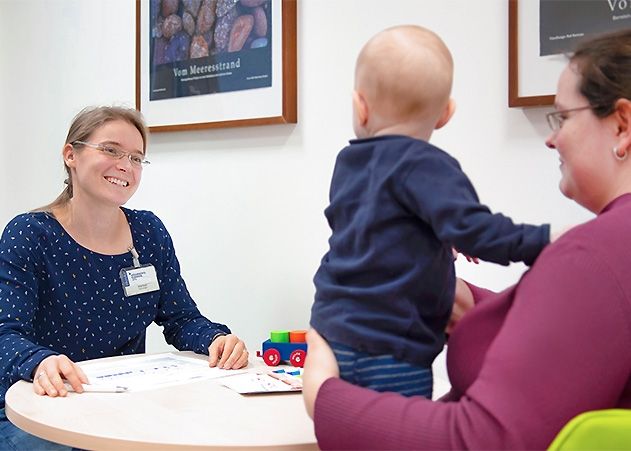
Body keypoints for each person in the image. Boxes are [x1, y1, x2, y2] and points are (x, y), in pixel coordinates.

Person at [303, 28, 631, 449]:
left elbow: (480, 441)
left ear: (622, 125)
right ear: (445, 113)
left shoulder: (593, 253)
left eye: (562, 117)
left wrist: (322, 395)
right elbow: (581, 337)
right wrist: (465, 300)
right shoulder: (607, 253)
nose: (551, 139)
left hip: (351, 349)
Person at [310, 24, 551, 399]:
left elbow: (373, 231)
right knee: (394, 433)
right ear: (446, 114)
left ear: (360, 106)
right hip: (394, 352)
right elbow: (480, 233)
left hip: (333, 334)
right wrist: (545, 240)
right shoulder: (429, 165)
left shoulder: (348, 163)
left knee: (346, 428)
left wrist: (442, 235)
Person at [0, 106, 249, 450]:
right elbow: (5, 333)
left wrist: (216, 340)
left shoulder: (148, 232)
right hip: (44, 404)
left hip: (121, 404)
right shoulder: (30, 234)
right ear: (71, 155)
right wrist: (40, 361)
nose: (125, 166)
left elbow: (180, 318)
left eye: (136, 158)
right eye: (111, 150)